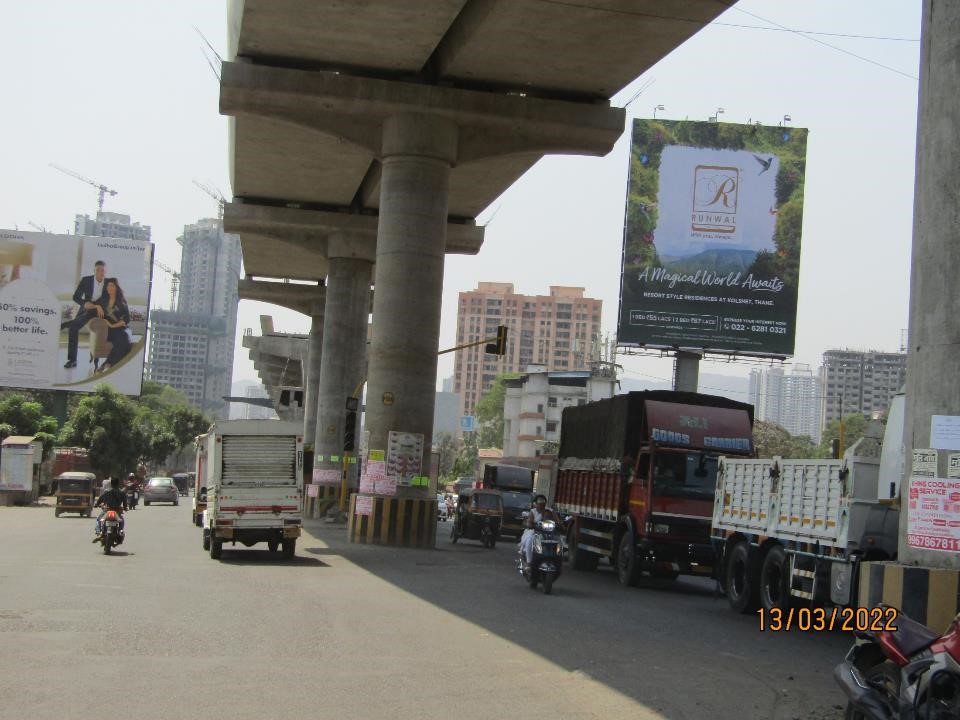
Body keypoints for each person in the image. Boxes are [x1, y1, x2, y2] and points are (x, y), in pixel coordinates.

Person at [61, 260, 107, 369]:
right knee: (73, 329)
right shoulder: (86, 280)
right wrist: (84, 303)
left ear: (106, 271)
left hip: (100, 312)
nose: (100, 272)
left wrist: (98, 306)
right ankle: (72, 360)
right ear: (94, 270)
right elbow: (75, 297)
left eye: (102, 270)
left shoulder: (109, 283)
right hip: (86, 309)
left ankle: (65, 324)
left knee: (74, 324)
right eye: (98, 270)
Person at [94, 277, 132, 373]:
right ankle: (110, 364)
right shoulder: (102, 300)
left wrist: (112, 325)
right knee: (122, 340)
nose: (109, 287)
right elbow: (91, 305)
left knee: (124, 339)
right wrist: (97, 306)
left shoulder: (122, 301)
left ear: (116, 287)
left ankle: (107, 364)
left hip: (120, 327)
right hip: (108, 330)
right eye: (108, 285)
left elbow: (127, 319)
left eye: (112, 285)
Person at [519, 494, 560, 565]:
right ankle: (529, 562)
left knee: (559, 541)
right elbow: (529, 522)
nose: (541, 503)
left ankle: (557, 560)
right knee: (529, 540)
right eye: (539, 501)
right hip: (535, 531)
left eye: (543, 501)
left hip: (549, 532)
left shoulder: (550, 511)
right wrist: (530, 524)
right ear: (535, 503)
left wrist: (559, 524)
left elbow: (557, 521)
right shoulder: (533, 511)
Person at [92, 476, 128, 542]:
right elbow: (125, 504)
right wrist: (125, 508)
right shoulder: (122, 493)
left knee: (98, 520)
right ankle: (120, 531)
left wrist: (96, 505)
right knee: (121, 521)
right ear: (118, 484)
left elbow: (100, 500)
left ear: (111, 484)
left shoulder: (107, 492)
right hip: (117, 512)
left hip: (107, 511)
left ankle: (99, 532)